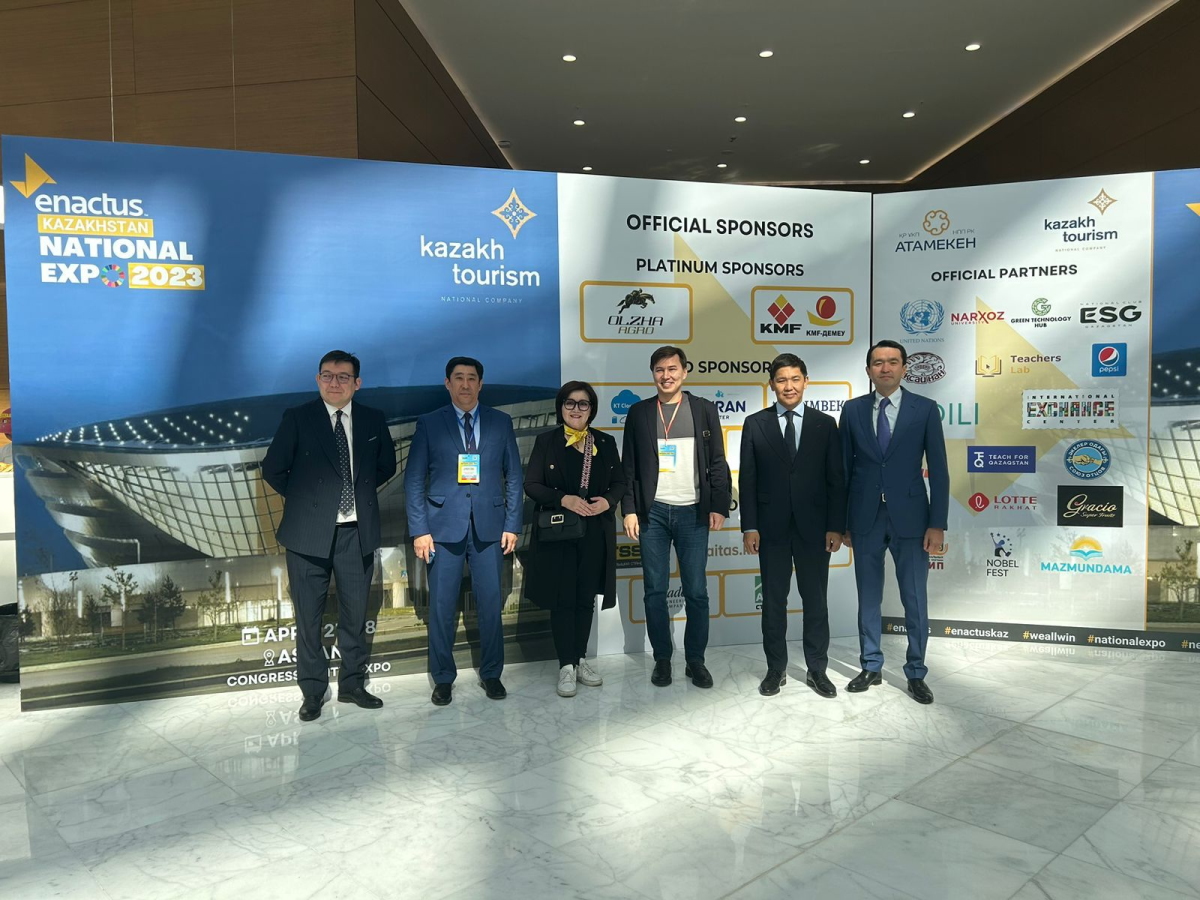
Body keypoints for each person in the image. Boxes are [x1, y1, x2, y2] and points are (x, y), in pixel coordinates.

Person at [262, 350, 397, 722]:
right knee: (308, 619)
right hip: (307, 535)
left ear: (357, 383)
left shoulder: (372, 419)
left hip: (357, 533)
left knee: (355, 615)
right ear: (317, 379)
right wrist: (309, 501)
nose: (334, 383)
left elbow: (386, 465)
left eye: (342, 377)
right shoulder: (298, 417)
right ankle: (312, 692)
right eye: (327, 375)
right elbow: (273, 469)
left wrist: (359, 491)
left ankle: (352, 685)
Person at [404, 356, 523, 706]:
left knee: (490, 604)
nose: (465, 384)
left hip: (490, 528)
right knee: (441, 607)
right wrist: (419, 530)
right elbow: (414, 480)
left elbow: (514, 477)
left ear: (480, 384)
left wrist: (512, 524)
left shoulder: (501, 422)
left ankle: (492, 674)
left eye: (472, 378)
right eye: (459, 378)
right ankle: (443, 678)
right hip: (441, 529)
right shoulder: (429, 423)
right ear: (447, 383)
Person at [841, 339, 948, 704]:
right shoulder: (852, 410)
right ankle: (871, 665)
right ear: (868, 370)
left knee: (915, 598)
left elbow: (940, 470)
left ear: (904, 368)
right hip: (865, 518)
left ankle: (916, 672)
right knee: (868, 597)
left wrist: (937, 523)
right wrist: (843, 522)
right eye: (877, 362)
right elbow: (843, 470)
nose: (885, 368)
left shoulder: (925, 409)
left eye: (892, 362)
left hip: (913, 520)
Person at [621, 345, 731, 688]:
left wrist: (718, 505)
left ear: (684, 372)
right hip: (652, 513)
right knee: (654, 590)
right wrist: (629, 509)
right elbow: (629, 467)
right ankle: (663, 659)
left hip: (693, 512)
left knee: (696, 591)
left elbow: (717, 461)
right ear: (652, 374)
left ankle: (695, 660)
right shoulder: (639, 413)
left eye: (672, 369)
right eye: (659, 370)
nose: (666, 376)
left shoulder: (704, 409)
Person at [740, 353, 846, 698]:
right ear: (771, 384)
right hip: (770, 529)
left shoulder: (825, 424)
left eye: (795, 379)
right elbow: (748, 480)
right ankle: (776, 669)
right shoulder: (755, 423)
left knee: (816, 601)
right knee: (773, 602)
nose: (789, 386)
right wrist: (749, 526)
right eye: (782, 380)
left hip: (815, 528)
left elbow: (835, 479)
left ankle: (817, 669)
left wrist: (836, 526)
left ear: (806, 381)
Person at [523, 381, 625, 697]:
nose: (576, 409)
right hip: (559, 533)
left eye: (583, 403)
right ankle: (565, 666)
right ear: (561, 407)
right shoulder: (546, 441)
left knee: (585, 599)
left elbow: (620, 482)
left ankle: (580, 660)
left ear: (591, 409)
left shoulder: (605, 442)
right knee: (562, 599)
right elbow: (531, 484)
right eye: (570, 403)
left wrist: (608, 501)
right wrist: (563, 499)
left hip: (594, 533)